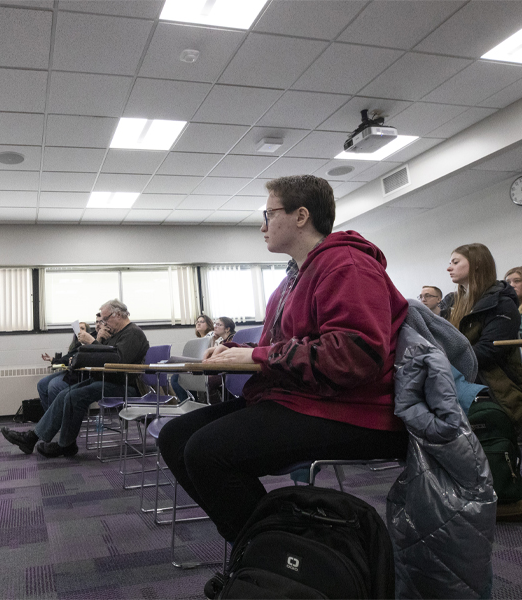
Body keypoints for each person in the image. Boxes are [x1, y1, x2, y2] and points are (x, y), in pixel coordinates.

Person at [157, 175, 409, 543]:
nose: (263, 225)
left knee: (207, 453)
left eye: (269, 213)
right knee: (175, 437)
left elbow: (356, 356)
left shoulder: (347, 265)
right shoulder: (292, 279)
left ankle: (282, 556)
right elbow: (283, 352)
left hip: (354, 411)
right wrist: (236, 356)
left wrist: (255, 357)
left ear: (301, 215)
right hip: (304, 400)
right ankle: (268, 554)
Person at [442, 244, 522, 520]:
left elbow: (489, 351)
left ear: (476, 264)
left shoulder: (502, 303)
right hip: (462, 378)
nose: (449, 267)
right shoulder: (451, 302)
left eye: (455, 261)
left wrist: (442, 363)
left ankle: (503, 493)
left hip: (495, 384)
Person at [1, 299, 149, 458]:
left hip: (126, 385)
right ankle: (32, 438)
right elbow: (98, 357)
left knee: (74, 396)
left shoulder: (133, 333)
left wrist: (92, 341)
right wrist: (96, 341)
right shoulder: (113, 334)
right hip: (107, 380)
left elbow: (118, 360)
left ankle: (65, 445)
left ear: (118, 315)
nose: (104, 323)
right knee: (64, 394)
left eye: (106, 319)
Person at [36, 321, 89, 410]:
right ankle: (49, 416)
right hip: (70, 371)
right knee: (41, 384)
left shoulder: (88, 345)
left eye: (82, 328)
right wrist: (52, 359)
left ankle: (55, 418)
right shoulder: (75, 345)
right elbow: (66, 359)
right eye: (78, 328)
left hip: (79, 374)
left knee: (53, 386)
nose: (79, 331)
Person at [171, 316, 216, 401]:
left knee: (176, 378)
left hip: (206, 367)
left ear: (209, 324)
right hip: (197, 366)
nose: (198, 323)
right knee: (177, 377)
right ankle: (191, 401)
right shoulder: (198, 340)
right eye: (197, 322)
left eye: (202, 321)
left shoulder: (211, 335)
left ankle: (190, 402)